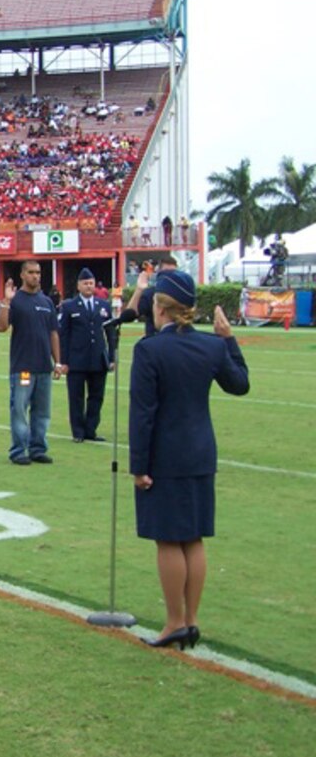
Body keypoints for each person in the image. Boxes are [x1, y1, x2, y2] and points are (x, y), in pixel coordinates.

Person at [128, 271, 249, 648]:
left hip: (164, 456)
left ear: (160, 308)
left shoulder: (149, 350)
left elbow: (143, 414)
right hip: (200, 452)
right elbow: (240, 384)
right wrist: (229, 340)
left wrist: (139, 465)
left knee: (168, 540)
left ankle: (174, 622)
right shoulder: (212, 347)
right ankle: (191, 620)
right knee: (193, 538)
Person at [0, 260, 63, 465]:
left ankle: (38, 448)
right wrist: (6, 302)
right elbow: (1, 327)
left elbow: (53, 333)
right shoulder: (16, 301)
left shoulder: (46, 302)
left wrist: (57, 362)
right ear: (22, 275)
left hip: (43, 367)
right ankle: (18, 450)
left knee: (42, 411)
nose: (36, 276)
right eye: (31, 272)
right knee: (19, 409)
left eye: (38, 272)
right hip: (23, 367)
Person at [58, 268, 115, 443]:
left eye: (91, 283)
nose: (89, 286)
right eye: (85, 283)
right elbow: (63, 335)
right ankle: (78, 432)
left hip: (98, 359)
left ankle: (91, 430)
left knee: (96, 396)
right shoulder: (69, 306)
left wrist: (112, 357)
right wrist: (63, 361)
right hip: (76, 360)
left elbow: (111, 333)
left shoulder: (103, 305)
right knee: (76, 398)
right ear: (78, 286)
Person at [127, 254, 177, 337]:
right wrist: (139, 289)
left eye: (172, 273)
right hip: (155, 339)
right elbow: (130, 314)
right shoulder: (151, 293)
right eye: (166, 272)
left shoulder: (181, 293)